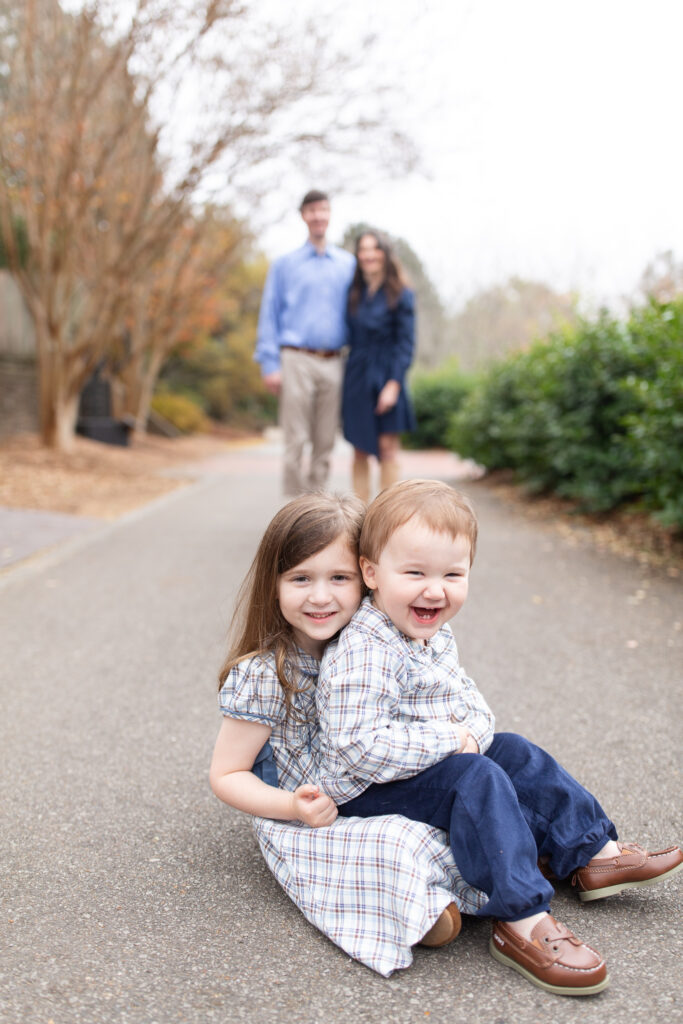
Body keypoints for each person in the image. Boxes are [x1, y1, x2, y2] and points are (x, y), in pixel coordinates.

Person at [316, 479, 683, 996]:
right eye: (415, 572)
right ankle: (522, 917)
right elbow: (358, 746)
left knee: (512, 749)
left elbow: (472, 706)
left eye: (452, 574)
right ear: (371, 573)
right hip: (367, 785)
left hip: (425, 758)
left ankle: (593, 851)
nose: (435, 590)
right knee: (477, 776)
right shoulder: (365, 649)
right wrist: (452, 742)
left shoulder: (432, 632)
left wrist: (472, 733)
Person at [209, 492, 486, 977]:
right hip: (315, 815)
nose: (321, 597)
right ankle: (420, 904)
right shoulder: (267, 673)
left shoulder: (380, 643)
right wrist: (292, 806)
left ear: (370, 576)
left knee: (469, 795)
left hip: (376, 785)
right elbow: (227, 774)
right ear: (272, 584)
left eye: (340, 578)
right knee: (394, 840)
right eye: (300, 579)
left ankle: (490, 871)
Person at [255, 191, 355, 495]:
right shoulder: (285, 265)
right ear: (303, 216)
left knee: (325, 440)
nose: (318, 216)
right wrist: (270, 364)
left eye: (323, 210)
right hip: (296, 358)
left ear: (329, 214)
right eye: (312, 210)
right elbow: (269, 314)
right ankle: (295, 513)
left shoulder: (347, 264)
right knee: (295, 439)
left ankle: (319, 508)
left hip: (335, 360)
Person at [342, 231, 416, 501]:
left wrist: (393, 385)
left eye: (374, 249)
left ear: (385, 253)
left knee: (387, 449)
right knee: (359, 448)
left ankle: (385, 521)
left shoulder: (402, 294)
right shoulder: (354, 293)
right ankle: (359, 520)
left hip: (388, 373)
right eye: (363, 249)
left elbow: (406, 343)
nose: (368, 254)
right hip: (357, 375)